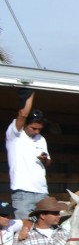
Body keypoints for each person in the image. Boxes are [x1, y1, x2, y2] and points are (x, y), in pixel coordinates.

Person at [5, 89, 51, 219]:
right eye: (33, 128)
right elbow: (23, 114)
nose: (37, 131)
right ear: (25, 124)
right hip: (22, 192)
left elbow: (48, 163)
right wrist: (30, 95)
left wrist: (44, 159)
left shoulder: (41, 139)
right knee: (24, 229)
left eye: (39, 129)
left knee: (45, 228)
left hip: (42, 191)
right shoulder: (15, 135)